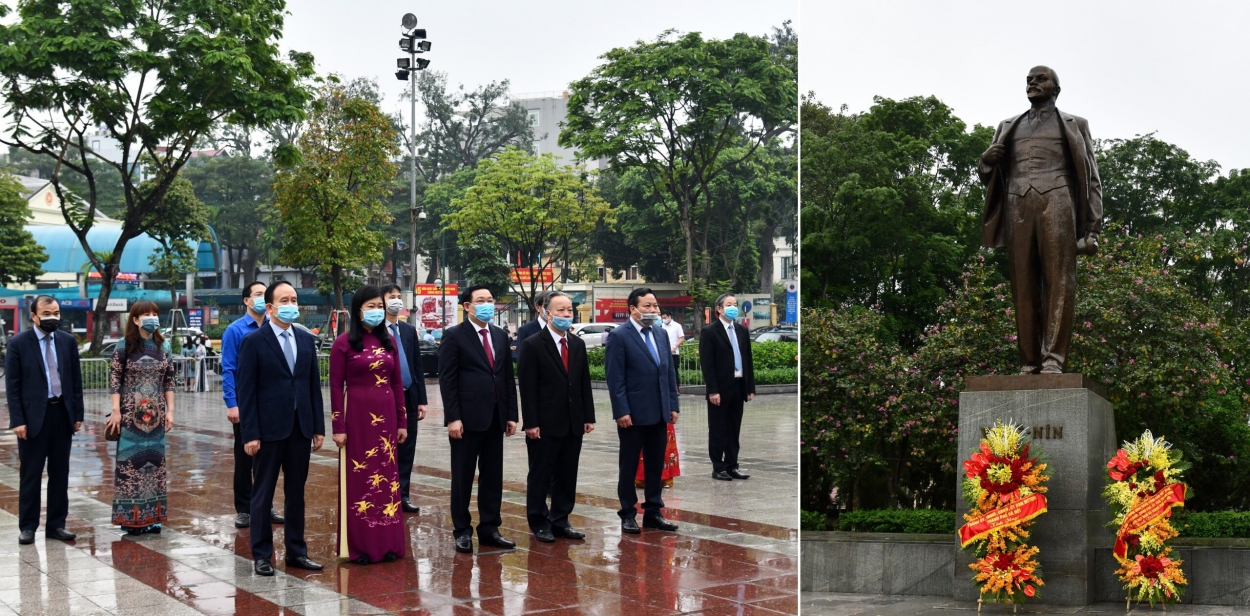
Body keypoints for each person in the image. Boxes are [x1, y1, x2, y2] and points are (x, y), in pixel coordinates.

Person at [978, 65, 1102, 374]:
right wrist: (985, 162)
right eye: (1029, 80)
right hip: (1016, 206)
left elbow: (1093, 180)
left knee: (1059, 282)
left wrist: (1093, 228)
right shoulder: (1008, 125)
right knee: (1022, 285)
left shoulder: (1075, 124)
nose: (1033, 83)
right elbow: (989, 176)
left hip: (1058, 202)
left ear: (1056, 89)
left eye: (1040, 79)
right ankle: (1028, 361)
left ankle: (1053, 360)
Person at [236, 281, 325, 576]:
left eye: (294, 299)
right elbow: (245, 392)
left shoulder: (305, 340)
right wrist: (250, 434)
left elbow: (313, 386)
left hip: (300, 429)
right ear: (271, 307)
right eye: (284, 300)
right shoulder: (253, 342)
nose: (291, 304)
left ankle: (297, 551)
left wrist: (318, 426)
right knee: (262, 493)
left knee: (296, 492)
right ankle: (262, 555)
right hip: (268, 431)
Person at [329, 285, 409, 564]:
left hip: (386, 417)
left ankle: (389, 544)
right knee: (360, 478)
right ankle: (360, 546)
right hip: (357, 417)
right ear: (358, 310)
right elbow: (336, 387)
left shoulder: (391, 343)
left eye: (379, 306)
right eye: (371, 306)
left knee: (387, 480)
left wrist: (402, 421)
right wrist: (338, 426)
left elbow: (397, 382)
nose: (376, 311)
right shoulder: (343, 344)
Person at [438, 284, 518, 553]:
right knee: (462, 475)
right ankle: (462, 530)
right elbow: (447, 380)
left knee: (493, 476)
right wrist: (453, 417)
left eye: (490, 300)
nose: (487, 305)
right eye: (481, 300)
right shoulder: (454, 336)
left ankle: (490, 528)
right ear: (467, 306)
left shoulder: (499, 335)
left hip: (496, 416)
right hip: (467, 419)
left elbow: (506, 377)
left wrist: (511, 415)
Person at [4, 296, 84, 545]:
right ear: (34, 316)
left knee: (60, 472)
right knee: (31, 474)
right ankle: (28, 526)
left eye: (57, 312)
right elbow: (12, 386)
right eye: (47, 313)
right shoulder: (18, 343)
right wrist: (17, 420)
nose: (53, 317)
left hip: (62, 413)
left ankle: (56, 525)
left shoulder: (67, 341)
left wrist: (77, 414)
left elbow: (75, 382)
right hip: (32, 418)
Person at [518, 292, 595, 543]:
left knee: (567, 473)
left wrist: (588, 416)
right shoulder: (532, 344)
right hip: (544, 423)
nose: (566, 315)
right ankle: (539, 521)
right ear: (547, 313)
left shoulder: (577, 343)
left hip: (573, 421)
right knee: (540, 474)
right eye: (560, 310)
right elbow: (527, 388)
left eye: (569, 310)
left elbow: (583, 383)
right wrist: (531, 423)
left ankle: (560, 519)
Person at [605, 287, 680, 535]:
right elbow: (615, 379)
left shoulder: (660, 334)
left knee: (655, 464)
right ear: (633, 309)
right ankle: (628, 513)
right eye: (647, 306)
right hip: (633, 415)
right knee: (628, 465)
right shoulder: (620, 336)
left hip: (659, 412)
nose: (653, 311)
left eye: (655, 306)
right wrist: (621, 411)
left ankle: (653, 512)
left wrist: (673, 405)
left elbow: (668, 372)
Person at [106, 301, 176, 535]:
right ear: (135, 319)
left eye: (155, 314)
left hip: (155, 415)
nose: (152, 318)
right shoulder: (124, 346)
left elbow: (169, 380)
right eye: (146, 314)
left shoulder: (164, 346)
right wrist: (116, 410)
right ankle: (131, 519)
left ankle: (153, 518)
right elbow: (115, 378)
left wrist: (171, 410)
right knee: (131, 466)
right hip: (130, 414)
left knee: (154, 465)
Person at [220, 281, 283, 529]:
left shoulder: (274, 327)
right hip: (245, 405)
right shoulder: (235, 331)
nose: (261, 298)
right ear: (246, 300)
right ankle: (244, 508)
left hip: (269, 404)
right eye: (256, 294)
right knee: (245, 457)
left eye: (264, 294)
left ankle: (265, 505)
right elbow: (228, 369)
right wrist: (232, 404)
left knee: (268, 459)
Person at [380, 284, 428, 514]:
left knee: (407, 447)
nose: (397, 301)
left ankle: (403, 494)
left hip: (409, 396)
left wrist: (421, 399)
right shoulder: (374, 330)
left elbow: (417, 366)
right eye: (392, 297)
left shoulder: (408, 331)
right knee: (385, 447)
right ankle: (385, 493)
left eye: (399, 297)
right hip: (384, 397)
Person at [700, 293, 756, 481]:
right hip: (720, 389)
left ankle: (732, 465)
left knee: (734, 429)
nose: (733, 307)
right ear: (719, 309)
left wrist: (750, 387)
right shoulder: (710, 332)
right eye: (729, 304)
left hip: (738, 386)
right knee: (718, 429)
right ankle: (718, 467)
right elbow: (707, 364)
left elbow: (748, 360)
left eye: (735, 304)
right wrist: (713, 390)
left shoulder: (741, 330)